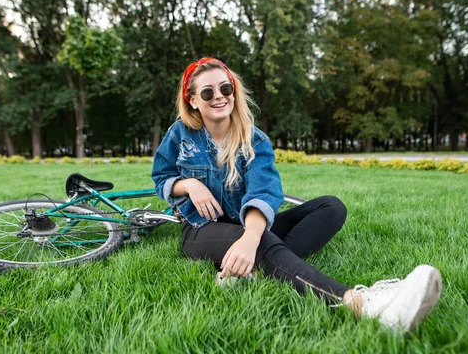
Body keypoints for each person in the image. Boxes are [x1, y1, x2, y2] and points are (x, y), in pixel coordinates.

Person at [151, 57, 442, 332]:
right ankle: (364, 305)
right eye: (208, 91)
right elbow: (161, 176)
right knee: (260, 238)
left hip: (244, 222)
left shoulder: (254, 139)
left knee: (331, 207)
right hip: (202, 229)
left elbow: (263, 190)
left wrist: (250, 238)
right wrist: (189, 185)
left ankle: (252, 271)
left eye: (226, 88)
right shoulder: (180, 134)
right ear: (192, 100)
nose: (219, 96)